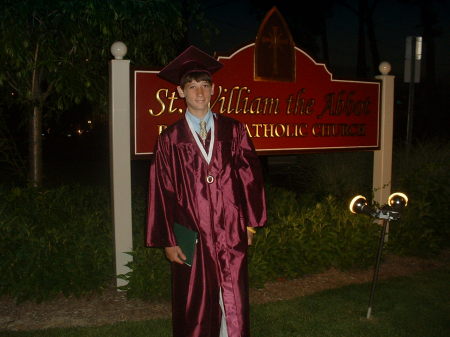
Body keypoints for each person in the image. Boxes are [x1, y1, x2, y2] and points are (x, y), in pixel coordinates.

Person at [146, 45, 266, 337]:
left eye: (204, 85)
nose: (199, 92)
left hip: (230, 227)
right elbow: (162, 189)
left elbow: (250, 176)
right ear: (180, 92)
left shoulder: (234, 131)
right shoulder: (170, 139)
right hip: (188, 231)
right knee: (194, 300)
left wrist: (250, 223)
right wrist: (169, 239)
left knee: (232, 296)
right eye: (191, 86)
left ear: (213, 90)